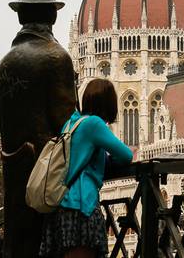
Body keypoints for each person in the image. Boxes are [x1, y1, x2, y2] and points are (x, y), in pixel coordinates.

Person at [0, 0, 77, 258]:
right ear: (53, 16)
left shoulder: (5, 63)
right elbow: (69, 126)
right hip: (51, 183)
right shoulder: (55, 58)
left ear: (20, 16)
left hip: (16, 179)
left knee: (19, 246)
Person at [39, 78, 134, 258]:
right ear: (109, 104)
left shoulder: (73, 123)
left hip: (61, 206)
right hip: (81, 207)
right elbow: (126, 155)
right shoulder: (94, 124)